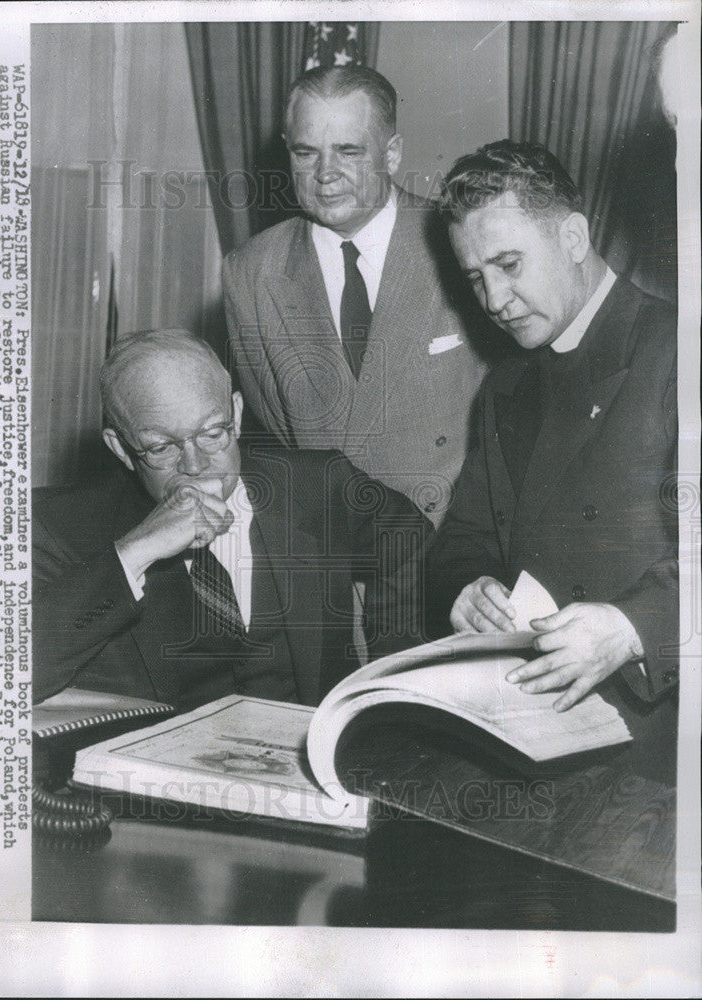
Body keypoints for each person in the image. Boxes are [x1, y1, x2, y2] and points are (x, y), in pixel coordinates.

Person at [425, 141, 677, 777]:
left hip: (665, 737)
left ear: (571, 237)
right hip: (536, 729)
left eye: (509, 264)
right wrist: (468, 588)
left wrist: (630, 628)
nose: (493, 298)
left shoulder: (680, 351)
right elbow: (464, 542)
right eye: (476, 277)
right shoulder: (504, 387)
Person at [33, 330, 428, 711]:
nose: (195, 464)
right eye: (162, 447)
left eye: (212, 433)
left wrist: (389, 681)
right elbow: (1, 674)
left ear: (236, 414)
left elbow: (410, 541)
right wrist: (135, 552)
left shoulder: (318, 486)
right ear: (120, 448)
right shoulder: (60, 527)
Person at [223, 65, 489, 527]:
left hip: (451, 556)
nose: (326, 174)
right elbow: (278, 428)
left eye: (348, 151)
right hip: (328, 559)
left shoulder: (458, 243)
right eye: (306, 153)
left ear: (391, 155)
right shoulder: (250, 272)